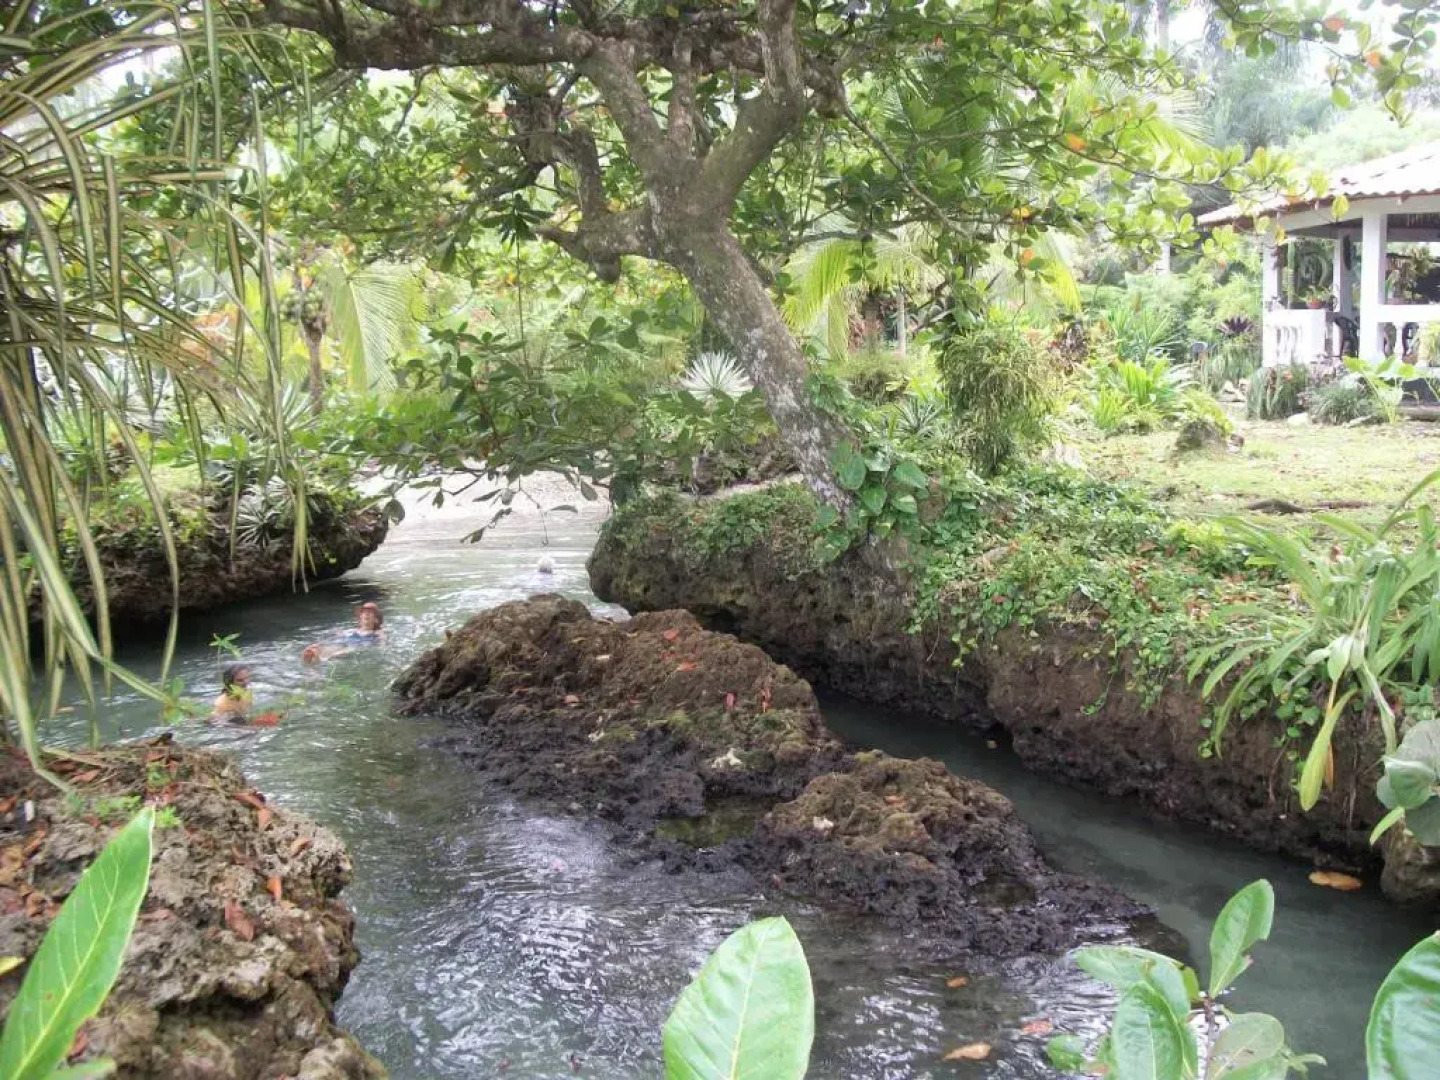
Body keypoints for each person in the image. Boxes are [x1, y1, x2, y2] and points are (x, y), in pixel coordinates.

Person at [302, 602, 384, 663]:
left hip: (360, 646)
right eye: (364, 612)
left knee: (348, 649)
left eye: (370, 613)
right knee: (321, 649)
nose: (366, 614)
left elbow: (383, 642)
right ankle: (313, 657)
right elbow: (336, 636)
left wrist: (382, 642)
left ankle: (321, 660)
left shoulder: (377, 632)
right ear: (360, 617)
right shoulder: (352, 631)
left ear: (376, 620)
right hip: (346, 643)